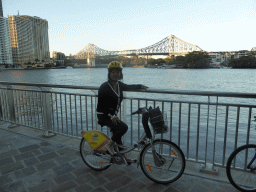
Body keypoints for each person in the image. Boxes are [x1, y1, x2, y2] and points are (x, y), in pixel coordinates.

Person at [97, 61, 148, 163]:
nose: (116, 74)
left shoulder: (119, 85)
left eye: (118, 72)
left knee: (118, 135)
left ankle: (124, 157)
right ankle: (109, 145)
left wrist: (141, 86)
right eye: (113, 72)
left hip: (112, 116)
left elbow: (130, 86)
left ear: (120, 74)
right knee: (123, 127)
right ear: (109, 74)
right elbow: (101, 105)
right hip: (103, 115)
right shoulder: (104, 87)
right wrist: (111, 115)